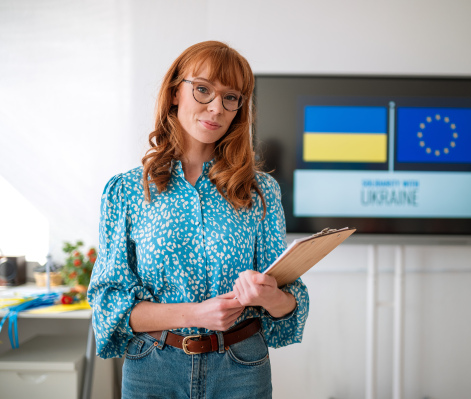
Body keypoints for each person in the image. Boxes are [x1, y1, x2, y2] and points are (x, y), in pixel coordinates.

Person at [87, 41, 309, 399]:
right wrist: (195, 313)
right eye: (203, 89)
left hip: (241, 368)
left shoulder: (260, 189)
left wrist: (271, 298)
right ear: (176, 92)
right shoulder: (126, 190)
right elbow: (109, 304)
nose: (216, 108)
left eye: (230, 98)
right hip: (152, 370)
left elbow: (289, 300)